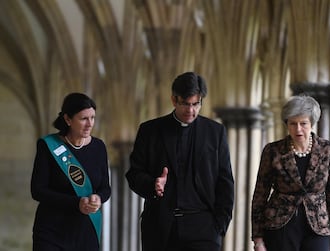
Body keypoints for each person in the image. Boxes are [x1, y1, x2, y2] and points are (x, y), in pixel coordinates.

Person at [126, 71, 234, 251]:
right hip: (160, 229)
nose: (191, 110)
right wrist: (153, 184)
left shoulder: (215, 132)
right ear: (174, 100)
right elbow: (133, 174)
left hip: (204, 229)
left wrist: (219, 226)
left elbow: (225, 182)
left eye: (196, 104)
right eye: (185, 104)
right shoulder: (150, 130)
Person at [251, 95, 330, 251]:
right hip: (280, 227)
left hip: (318, 228)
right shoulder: (273, 151)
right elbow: (260, 196)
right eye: (293, 123)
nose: (298, 129)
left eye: (303, 123)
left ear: (312, 123)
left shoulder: (328, 150)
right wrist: (258, 239)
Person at [31, 92, 111, 251]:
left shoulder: (99, 147)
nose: (90, 124)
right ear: (68, 119)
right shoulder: (48, 146)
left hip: (86, 231)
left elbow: (105, 188)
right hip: (51, 231)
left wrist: (98, 197)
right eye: (83, 119)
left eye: (92, 118)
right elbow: (37, 191)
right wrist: (76, 203)